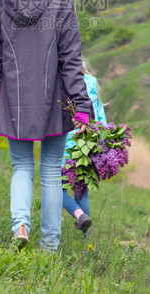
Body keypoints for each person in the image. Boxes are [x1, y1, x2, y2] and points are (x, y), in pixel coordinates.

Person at [0, 0, 93, 252]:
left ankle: (21, 226)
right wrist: (82, 106)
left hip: (14, 98)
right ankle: (50, 245)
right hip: (55, 98)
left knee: (22, 167)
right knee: (52, 172)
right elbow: (71, 59)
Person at [62, 59, 107, 233]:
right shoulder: (92, 83)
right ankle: (84, 240)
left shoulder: (63, 83)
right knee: (81, 191)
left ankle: (78, 214)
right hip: (88, 146)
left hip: (67, 146)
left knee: (55, 187)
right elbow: (101, 116)